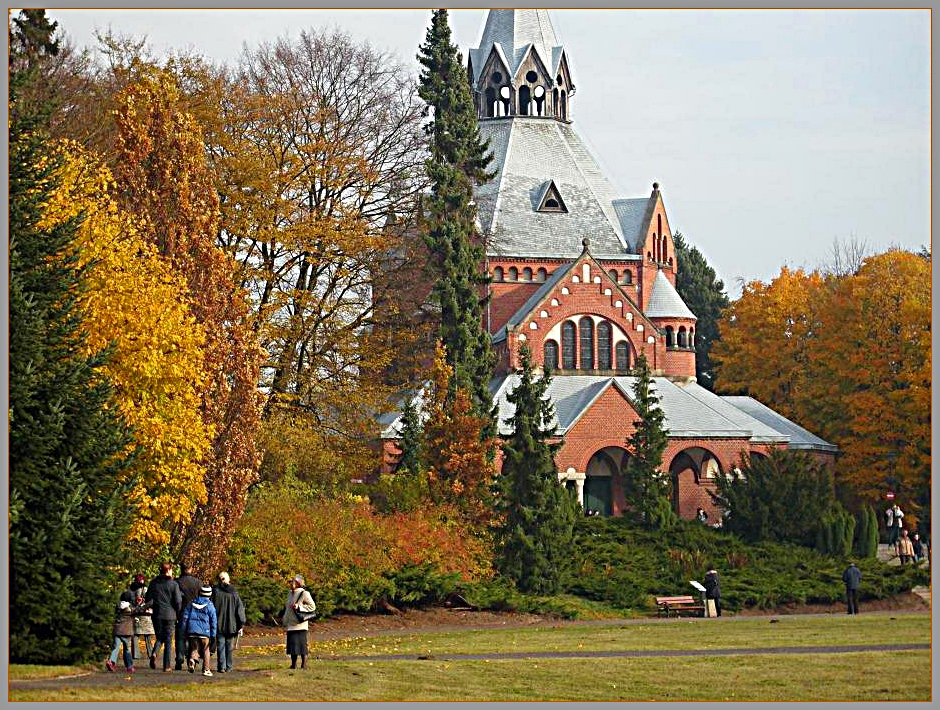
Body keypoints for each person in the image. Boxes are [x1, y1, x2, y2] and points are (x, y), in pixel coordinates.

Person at [145, 562, 182, 672]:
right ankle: (166, 665)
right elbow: (178, 601)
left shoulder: (153, 583)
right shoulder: (173, 584)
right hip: (170, 615)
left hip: (157, 614)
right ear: (168, 571)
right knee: (169, 640)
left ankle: (154, 653)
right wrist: (178, 611)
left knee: (160, 637)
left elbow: (148, 599)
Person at [213, 571, 247, 673]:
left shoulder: (216, 592)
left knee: (220, 645)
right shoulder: (234, 593)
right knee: (229, 646)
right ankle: (229, 666)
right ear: (228, 579)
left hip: (219, 623)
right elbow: (239, 610)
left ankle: (221, 666)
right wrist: (241, 623)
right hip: (232, 625)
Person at [181, 584, 218, 677]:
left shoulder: (191, 603)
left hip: (192, 631)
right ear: (209, 595)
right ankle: (206, 669)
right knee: (206, 650)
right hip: (205, 632)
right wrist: (213, 635)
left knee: (194, 647)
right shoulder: (210, 606)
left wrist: (184, 629)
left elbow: (185, 617)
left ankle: (192, 660)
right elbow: (213, 621)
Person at [283, 574, 317, 670]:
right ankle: (293, 665)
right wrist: (285, 618)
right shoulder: (289, 593)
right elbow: (287, 608)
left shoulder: (304, 593)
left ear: (298, 583)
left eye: (292, 582)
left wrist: (299, 607)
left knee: (302, 645)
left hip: (300, 624)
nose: (290, 583)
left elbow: (312, 607)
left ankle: (304, 665)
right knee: (292, 646)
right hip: (290, 623)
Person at [174, 563, 202, 671]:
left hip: (181, 614)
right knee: (192, 638)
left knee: (180, 638)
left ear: (181, 569)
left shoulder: (177, 582)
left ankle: (179, 658)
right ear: (191, 569)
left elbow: (176, 600)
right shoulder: (198, 583)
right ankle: (191, 658)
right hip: (195, 614)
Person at [106, 587, 138, 673]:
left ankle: (111, 661)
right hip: (126, 631)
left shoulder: (118, 606)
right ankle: (129, 666)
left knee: (115, 647)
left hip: (117, 630)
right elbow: (139, 610)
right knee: (126, 649)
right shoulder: (130, 608)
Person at [129, 573, 153, 662]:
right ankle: (151, 653)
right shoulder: (145, 589)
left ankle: (136, 654)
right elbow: (149, 600)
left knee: (136, 634)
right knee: (147, 634)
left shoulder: (131, 589)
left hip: (135, 613)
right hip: (145, 613)